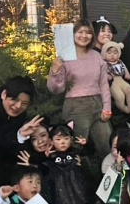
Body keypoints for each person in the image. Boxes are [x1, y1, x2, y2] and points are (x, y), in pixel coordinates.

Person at [48, 20, 112, 163]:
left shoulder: (96, 56)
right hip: (75, 107)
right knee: (75, 149)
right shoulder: (65, 57)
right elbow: (56, 89)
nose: (84, 35)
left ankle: (111, 175)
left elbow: (103, 84)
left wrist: (107, 107)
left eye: (88, 32)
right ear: (73, 34)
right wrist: (55, 70)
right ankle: (77, 176)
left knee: (107, 145)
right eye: (80, 32)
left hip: (97, 105)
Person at [36, 125, 90, 204]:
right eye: (58, 139)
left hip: (73, 188)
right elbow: (39, 164)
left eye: (66, 138)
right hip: (56, 189)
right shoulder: (50, 155)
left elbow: (87, 152)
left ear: (71, 139)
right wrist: (44, 156)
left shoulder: (74, 152)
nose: (62, 142)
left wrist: (85, 144)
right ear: (51, 141)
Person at [102, 42, 130, 115]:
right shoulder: (104, 63)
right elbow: (102, 72)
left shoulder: (119, 61)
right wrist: (107, 75)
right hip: (113, 83)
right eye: (109, 53)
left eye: (115, 53)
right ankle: (124, 108)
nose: (112, 55)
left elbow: (124, 68)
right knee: (119, 96)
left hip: (121, 80)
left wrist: (127, 73)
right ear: (104, 54)